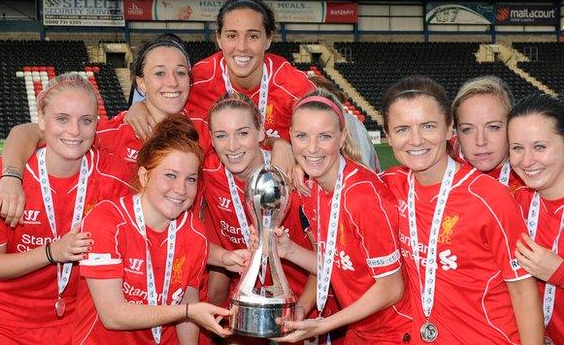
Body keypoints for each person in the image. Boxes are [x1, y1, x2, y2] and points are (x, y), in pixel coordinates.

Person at [0, 73, 135, 344]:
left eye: (85, 120)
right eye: (62, 119)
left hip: (83, 318)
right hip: (13, 321)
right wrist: (52, 252)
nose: (74, 131)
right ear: (42, 122)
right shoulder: (2, 176)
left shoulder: (116, 175)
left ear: (96, 124)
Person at [380, 75, 542, 344]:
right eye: (402, 129)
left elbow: (523, 290)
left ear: (448, 129)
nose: (416, 140)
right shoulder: (389, 186)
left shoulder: (490, 197)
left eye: (428, 126)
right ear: (388, 136)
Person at [0, 33, 200, 227]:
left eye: (180, 72)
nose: (172, 82)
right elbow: (26, 132)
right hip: (123, 254)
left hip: (183, 254)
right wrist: (11, 176)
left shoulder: (206, 132)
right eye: (160, 73)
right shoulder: (110, 132)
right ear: (141, 82)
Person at [74, 114, 232, 344]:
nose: (181, 189)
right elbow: (113, 316)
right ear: (144, 176)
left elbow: (187, 299)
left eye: (190, 179)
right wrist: (187, 311)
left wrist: (188, 313)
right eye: (170, 175)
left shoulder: (194, 233)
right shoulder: (106, 220)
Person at [271, 88, 412, 344]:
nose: (312, 148)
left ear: (342, 137)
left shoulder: (361, 195)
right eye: (302, 136)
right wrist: (288, 250)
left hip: (395, 331)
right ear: (291, 137)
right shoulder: (313, 191)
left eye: (324, 136)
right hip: (361, 330)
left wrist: (322, 324)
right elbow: (339, 265)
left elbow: (391, 287)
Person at [125, 0, 315, 175]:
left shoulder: (294, 86)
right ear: (219, 38)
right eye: (232, 36)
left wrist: (283, 144)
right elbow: (165, 95)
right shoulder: (198, 79)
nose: (242, 46)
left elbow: (327, 133)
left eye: (253, 36)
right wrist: (140, 105)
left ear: (269, 39)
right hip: (217, 192)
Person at [202, 92, 334, 344]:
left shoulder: (296, 181)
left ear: (261, 132)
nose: (232, 146)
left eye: (242, 133)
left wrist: (301, 308)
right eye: (221, 135)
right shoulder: (207, 171)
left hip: (304, 301)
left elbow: (326, 264)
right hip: (247, 300)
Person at [509, 94, 564, 344]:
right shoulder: (513, 202)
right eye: (517, 148)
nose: (527, 160)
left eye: (539, 146)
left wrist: (558, 271)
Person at [450, 75, 522, 191]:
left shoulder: (533, 178)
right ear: (456, 132)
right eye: (467, 129)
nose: (480, 141)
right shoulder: (439, 161)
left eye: (493, 127)